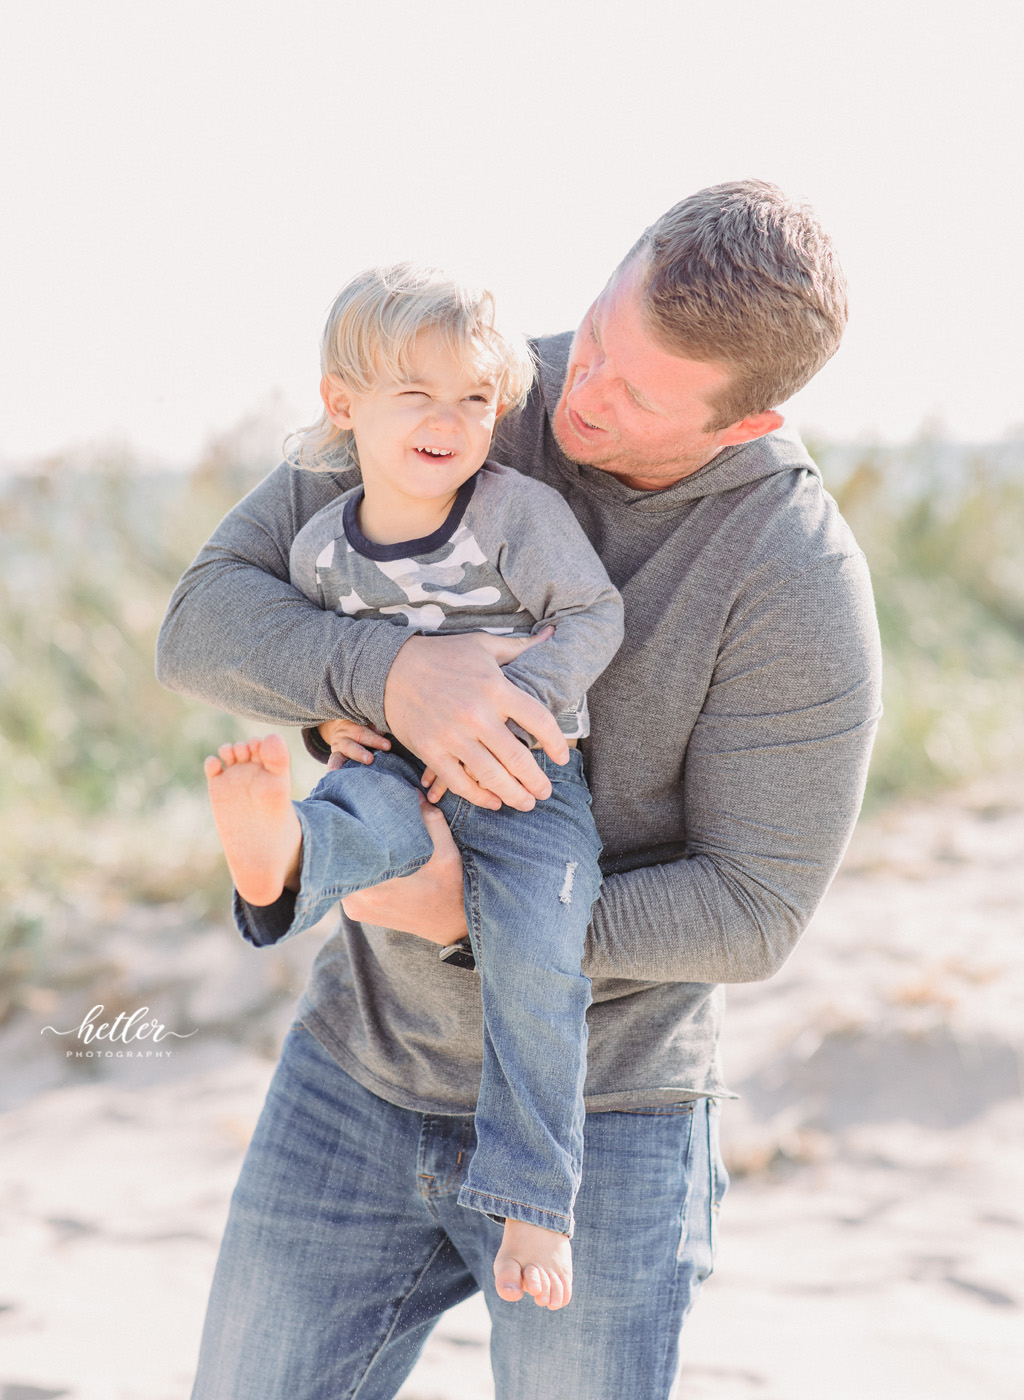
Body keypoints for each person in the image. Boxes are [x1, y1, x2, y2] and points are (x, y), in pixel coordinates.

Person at [157, 179, 882, 1400]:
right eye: (595, 335)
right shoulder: (468, 384)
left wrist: (469, 921)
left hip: (612, 1119)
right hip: (358, 1074)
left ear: (746, 423)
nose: (573, 394)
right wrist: (390, 670)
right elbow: (202, 621)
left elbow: (754, 909)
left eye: (635, 394)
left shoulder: (795, 576)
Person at [202, 263, 624, 1312]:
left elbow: (592, 615)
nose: (448, 418)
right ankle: (280, 857)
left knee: (537, 951)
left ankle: (536, 1196)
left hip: (528, 778)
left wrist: (503, 700)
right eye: (415, 393)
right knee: (364, 812)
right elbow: (328, 652)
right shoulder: (320, 546)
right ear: (342, 404)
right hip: (393, 762)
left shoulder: (510, 514)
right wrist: (327, 715)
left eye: (474, 398)